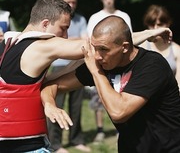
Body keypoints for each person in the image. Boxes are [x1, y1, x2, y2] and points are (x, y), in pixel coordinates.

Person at [41, 15, 180, 153]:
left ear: (124, 47)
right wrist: (49, 104)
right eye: (95, 48)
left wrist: (96, 72)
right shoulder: (103, 63)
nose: (97, 56)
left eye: (103, 49)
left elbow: (119, 112)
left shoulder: (152, 65)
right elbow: (53, 86)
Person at [0, 0, 86, 152]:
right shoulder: (41, 47)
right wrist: (141, 35)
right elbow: (95, 46)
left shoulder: (6, 44)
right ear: (45, 24)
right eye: (63, 28)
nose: (66, 36)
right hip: (29, 147)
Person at [86, 0, 133, 142]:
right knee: (99, 98)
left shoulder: (124, 16)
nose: (108, 0)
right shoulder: (94, 18)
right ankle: (100, 129)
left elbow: (130, 40)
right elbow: (89, 43)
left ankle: (123, 129)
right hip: (100, 65)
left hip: (120, 65)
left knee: (121, 98)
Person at [47, 0, 90, 153]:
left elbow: (85, 40)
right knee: (57, 105)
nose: (71, 4)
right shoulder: (55, 19)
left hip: (78, 64)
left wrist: (75, 40)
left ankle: (76, 139)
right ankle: (56, 144)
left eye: (74, 1)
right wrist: (77, 40)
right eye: (68, 1)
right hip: (59, 65)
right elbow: (56, 40)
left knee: (77, 105)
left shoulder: (80, 20)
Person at [140, 4, 180, 90]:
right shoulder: (141, 47)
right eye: (152, 24)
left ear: (168, 24)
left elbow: (179, 83)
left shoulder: (177, 50)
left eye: (159, 24)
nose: (155, 28)